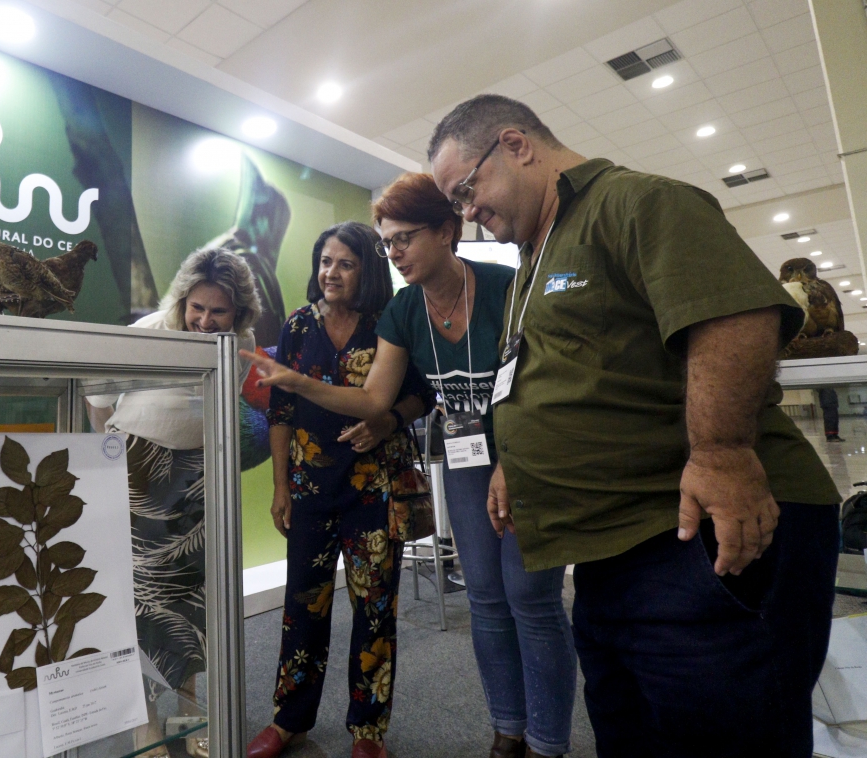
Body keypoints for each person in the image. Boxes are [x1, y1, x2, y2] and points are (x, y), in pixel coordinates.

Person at [427, 94, 841, 757]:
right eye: (455, 205)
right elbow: (542, 375)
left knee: (723, 735)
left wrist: (723, 453)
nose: (467, 213)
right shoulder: (537, 255)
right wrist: (515, 461)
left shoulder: (634, 202)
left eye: (466, 191)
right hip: (611, 550)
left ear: (517, 145)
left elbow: (735, 318)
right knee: (635, 732)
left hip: (694, 532)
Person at [243, 178, 577, 758]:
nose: (392, 251)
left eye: (401, 239)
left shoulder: (475, 296)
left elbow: (538, 383)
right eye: (386, 242)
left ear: (446, 232)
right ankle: (504, 732)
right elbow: (333, 405)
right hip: (393, 473)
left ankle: (538, 742)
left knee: (521, 600)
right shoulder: (364, 316)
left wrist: (393, 422)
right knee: (479, 601)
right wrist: (293, 412)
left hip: (468, 468)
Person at [248, 221, 435, 758]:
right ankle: (290, 719)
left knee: (375, 609)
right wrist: (281, 484)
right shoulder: (299, 325)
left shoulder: (390, 322)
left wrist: (388, 421)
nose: (330, 272)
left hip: (374, 488)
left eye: (345, 263)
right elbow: (280, 409)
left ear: (367, 270)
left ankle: (368, 731)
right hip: (309, 487)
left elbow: (420, 394)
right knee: (302, 605)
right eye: (325, 261)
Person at [87, 246, 260, 758]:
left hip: (200, 480)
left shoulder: (242, 341)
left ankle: (188, 710)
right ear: (182, 300)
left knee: (191, 603)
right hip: (141, 473)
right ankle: (146, 726)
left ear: (239, 314)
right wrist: (118, 462)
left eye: (218, 311)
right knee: (142, 604)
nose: (205, 321)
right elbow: (98, 404)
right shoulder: (148, 332)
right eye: (197, 308)